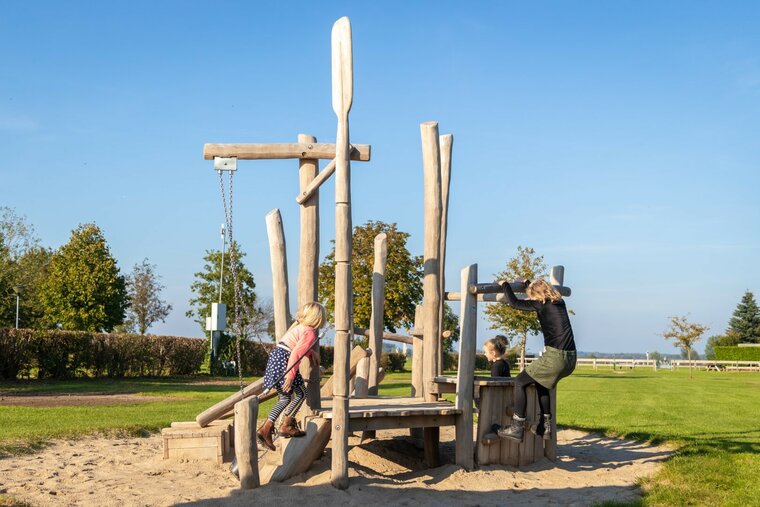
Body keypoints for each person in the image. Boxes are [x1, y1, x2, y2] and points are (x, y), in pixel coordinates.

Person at [494, 279, 576, 442]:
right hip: (571, 359)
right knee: (541, 383)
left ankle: (517, 428)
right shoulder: (560, 302)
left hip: (555, 357)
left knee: (519, 381)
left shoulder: (540, 305)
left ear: (537, 296)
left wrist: (505, 285)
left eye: (532, 296)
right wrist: (528, 284)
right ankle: (545, 426)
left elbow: (515, 303)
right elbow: (539, 291)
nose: (531, 300)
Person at [256, 302, 325, 451]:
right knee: (301, 394)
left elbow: (296, 346)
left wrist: (312, 353)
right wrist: (290, 376)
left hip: (278, 358)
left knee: (285, 398)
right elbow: (295, 353)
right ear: (318, 318)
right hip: (286, 362)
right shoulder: (310, 332)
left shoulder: (299, 327)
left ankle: (266, 428)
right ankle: (286, 425)